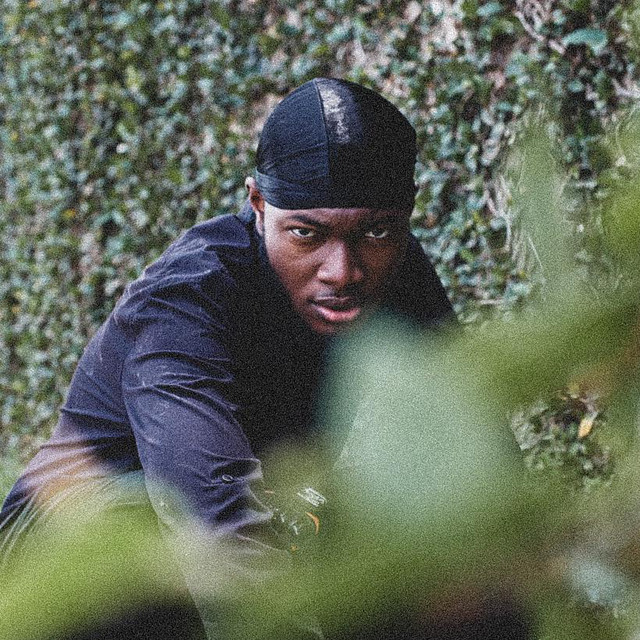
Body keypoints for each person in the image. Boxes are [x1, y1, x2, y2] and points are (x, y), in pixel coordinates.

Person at [0, 78, 455, 638]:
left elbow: (472, 454)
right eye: (306, 234)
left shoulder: (400, 271)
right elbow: (216, 516)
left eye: (377, 231)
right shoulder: (185, 304)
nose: (342, 271)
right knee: (147, 535)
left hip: (243, 522)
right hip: (55, 569)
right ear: (258, 204)